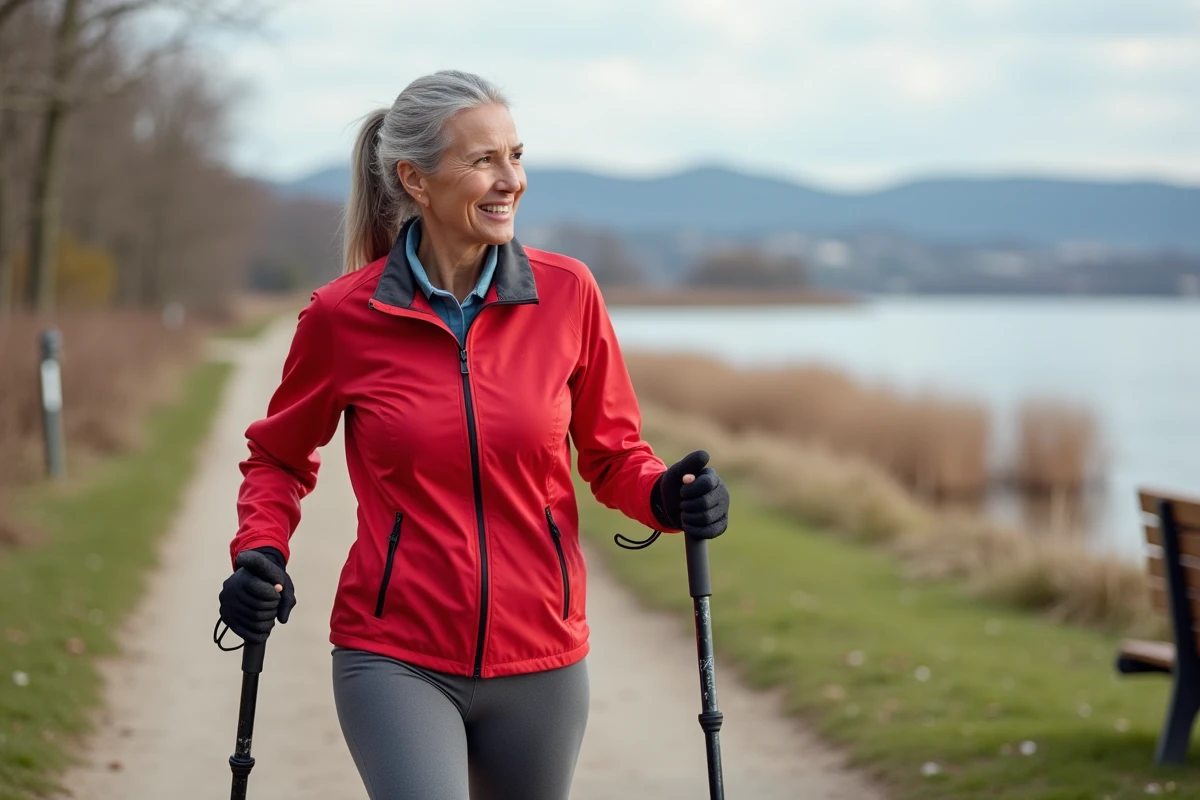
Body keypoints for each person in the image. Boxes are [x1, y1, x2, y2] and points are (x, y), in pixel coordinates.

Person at [215, 69, 731, 800]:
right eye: (484, 159)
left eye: (516, 156)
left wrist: (666, 498)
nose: (510, 180)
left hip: (542, 658)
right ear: (415, 181)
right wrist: (257, 552)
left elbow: (614, 455)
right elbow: (277, 456)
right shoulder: (342, 317)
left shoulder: (568, 294)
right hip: (395, 654)